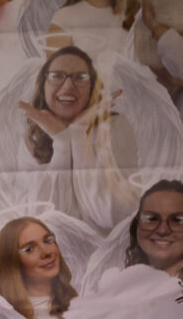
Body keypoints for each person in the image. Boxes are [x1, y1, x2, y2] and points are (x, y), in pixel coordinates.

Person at [15, 46, 144, 229]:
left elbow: (115, 217)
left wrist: (78, 136)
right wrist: (62, 144)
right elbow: (40, 221)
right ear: (43, 86)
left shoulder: (115, 127)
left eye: (80, 78)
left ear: (92, 89)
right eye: (57, 76)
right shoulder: (32, 136)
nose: (68, 86)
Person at [0, 216, 76, 319]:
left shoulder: (78, 297)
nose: (46, 252)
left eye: (48, 240)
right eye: (29, 249)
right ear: (12, 262)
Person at [124, 180, 183, 280]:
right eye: (152, 219)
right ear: (137, 226)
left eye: (177, 220)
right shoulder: (124, 281)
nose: (163, 230)